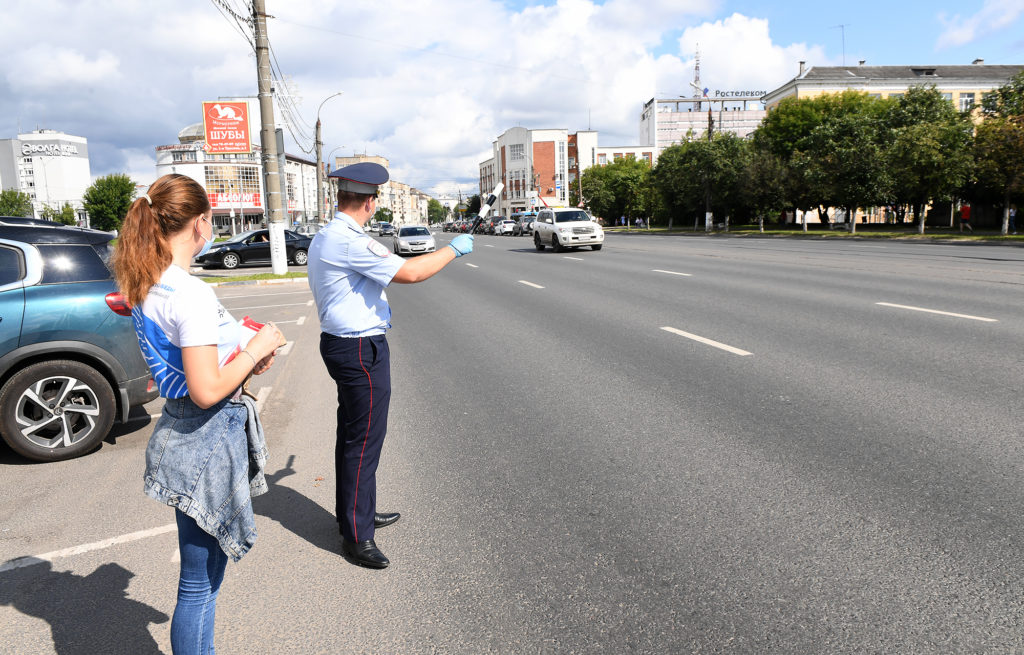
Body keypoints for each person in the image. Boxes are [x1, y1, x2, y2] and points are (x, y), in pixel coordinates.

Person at [113, 173, 286, 654]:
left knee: (205, 575)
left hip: (183, 431)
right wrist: (259, 348)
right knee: (198, 583)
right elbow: (208, 390)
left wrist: (246, 354)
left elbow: (194, 370)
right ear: (201, 223)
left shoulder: (152, 282)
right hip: (205, 438)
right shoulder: (188, 292)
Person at [308, 162, 474, 569]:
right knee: (363, 442)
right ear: (369, 201)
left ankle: (357, 514)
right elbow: (413, 272)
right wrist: (453, 248)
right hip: (359, 351)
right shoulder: (349, 241)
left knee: (353, 437)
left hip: (345, 346)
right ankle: (356, 536)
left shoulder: (330, 235)